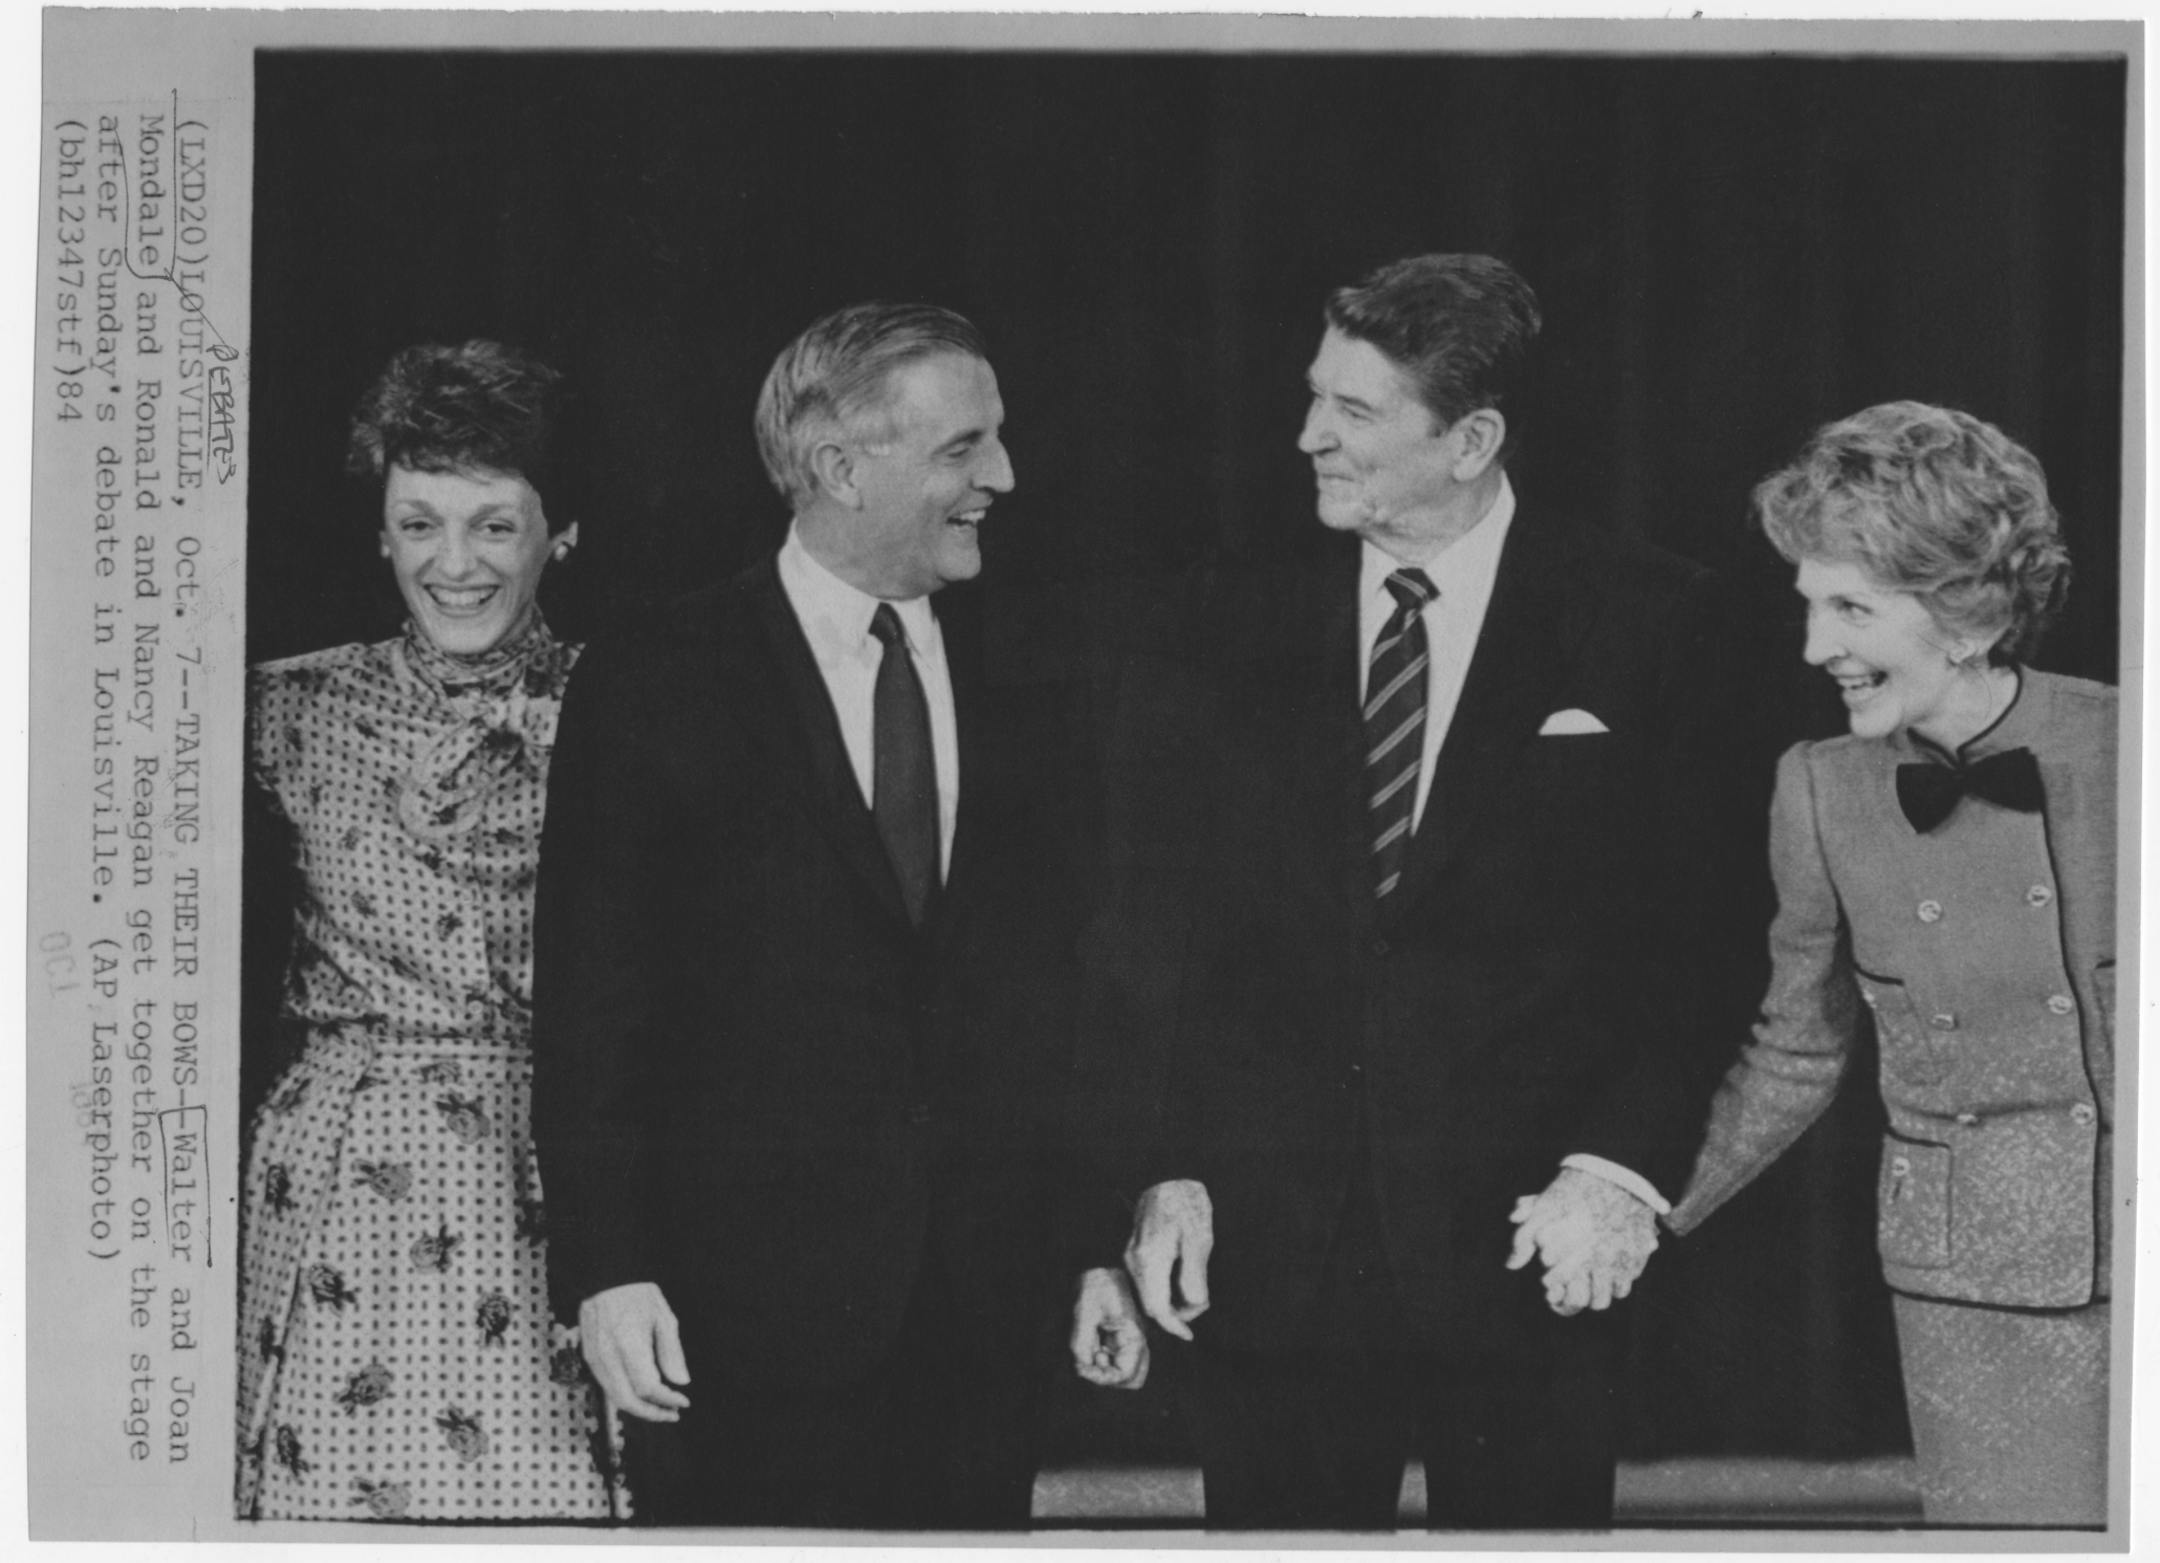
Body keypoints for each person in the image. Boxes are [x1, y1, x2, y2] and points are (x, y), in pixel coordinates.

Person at [1066, 253, 1752, 1530]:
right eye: (1316, 396)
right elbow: (1141, 930)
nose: (1308, 435)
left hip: (1532, 1254)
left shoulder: (1656, 622)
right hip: (1265, 1270)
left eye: (1355, 411)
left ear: (1472, 438)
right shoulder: (1216, 618)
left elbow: (1703, 946)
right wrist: (1155, 1170)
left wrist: (1617, 1171)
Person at [531, 301, 1086, 1529]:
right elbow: (592, 1010)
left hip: (985, 1313)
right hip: (741, 1325)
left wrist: (1090, 1239)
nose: (1003, 476)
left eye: (994, 440)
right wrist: (609, 1270)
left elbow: (1067, 983)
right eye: (963, 449)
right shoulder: (656, 676)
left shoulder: (1037, 664)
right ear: (839, 467)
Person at [1665, 402, 2112, 1526]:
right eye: (1810, 606)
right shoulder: (1820, 791)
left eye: (1851, 608)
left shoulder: (2132, 743)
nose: (1818, 648)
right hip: (1979, 1290)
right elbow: (1795, 1050)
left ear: (1964, 614)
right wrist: (1640, 1205)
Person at [235, 341, 615, 1521]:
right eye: (421, 524)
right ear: (382, 532)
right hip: (337, 1182)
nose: (455, 565)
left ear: (560, 533)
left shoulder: (630, 709)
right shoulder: (280, 708)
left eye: (495, 526)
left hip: (555, 1181)